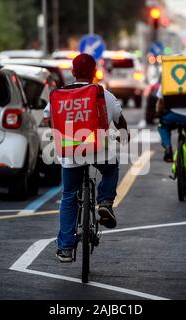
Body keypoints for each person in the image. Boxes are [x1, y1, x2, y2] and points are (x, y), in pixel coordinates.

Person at [43, 53, 129, 263]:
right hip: (100, 149)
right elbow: (119, 121)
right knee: (111, 168)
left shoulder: (59, 95)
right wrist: (123, 136)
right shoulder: (103, 94)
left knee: (69, 196)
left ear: (72, 72)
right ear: (94, 72)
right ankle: (105, 203)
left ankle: (65, 249)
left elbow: (47, 119)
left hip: (70, 152)